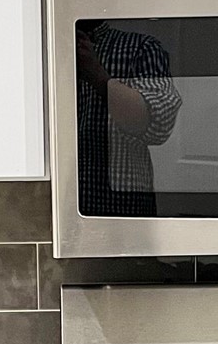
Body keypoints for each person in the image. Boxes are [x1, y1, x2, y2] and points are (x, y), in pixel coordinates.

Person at [74, 19, 182, 215]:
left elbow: (159, 123)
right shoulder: (38, 48)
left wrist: (97, 75)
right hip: (56, 208)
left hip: (124, 215)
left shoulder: (139, 48)